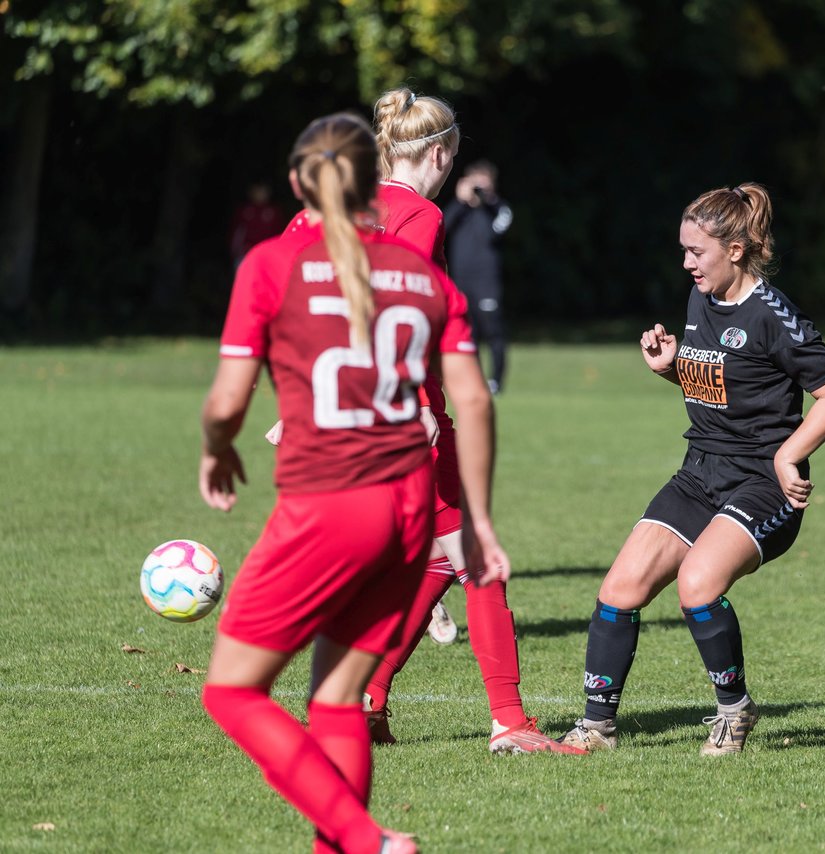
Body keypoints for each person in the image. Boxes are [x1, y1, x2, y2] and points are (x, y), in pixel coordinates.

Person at [198, 111, 508, 854]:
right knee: (338, 699)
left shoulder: (271, 264)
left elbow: (227, 402)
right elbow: (470, 398)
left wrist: (218, 446)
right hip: (407, 507)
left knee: (232, 690)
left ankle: (363, 839)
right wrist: (481, 520)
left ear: (300, 183)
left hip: (328, 501)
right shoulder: (424, 275)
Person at [558, 183, 825, 756]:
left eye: (698, 251)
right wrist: (671, 368)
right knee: (618, 589)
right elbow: (720, 385)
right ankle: (596, 727)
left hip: (764, 485)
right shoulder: (701, 299)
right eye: (684, 250)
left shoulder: (774, 315)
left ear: (738, 249)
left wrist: (788, 454)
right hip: (700, 471)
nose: (687, 263)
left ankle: (734, 710)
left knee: (697, 585)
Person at [365, 86, 583, 755]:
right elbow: (404, 317)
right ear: (441, 152)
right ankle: (510, 722)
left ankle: (366, 700)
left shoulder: (333, 209)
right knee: (479, 561)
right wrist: (424, 405)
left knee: (444, 555)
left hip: (344, 415)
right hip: (410, 417)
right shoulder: (421, 217)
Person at [443, 160, 512, 394]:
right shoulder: (461, 209)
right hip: (461, 280)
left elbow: (491, 235)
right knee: (464, 333)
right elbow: (443, 227)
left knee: (493, 332)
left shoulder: (500, 209)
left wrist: (482, 204)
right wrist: (462, 201)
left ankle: (496, 382)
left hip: (487, 281)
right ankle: (471, 379)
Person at [229, 181, 284, 268]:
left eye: (263, 190)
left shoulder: (273, 212)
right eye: (257, 190)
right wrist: (236, 252)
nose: (260, 193)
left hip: (267, 254)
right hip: (246, 253)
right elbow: (237, 234)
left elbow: (278, 234)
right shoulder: (244, 211)